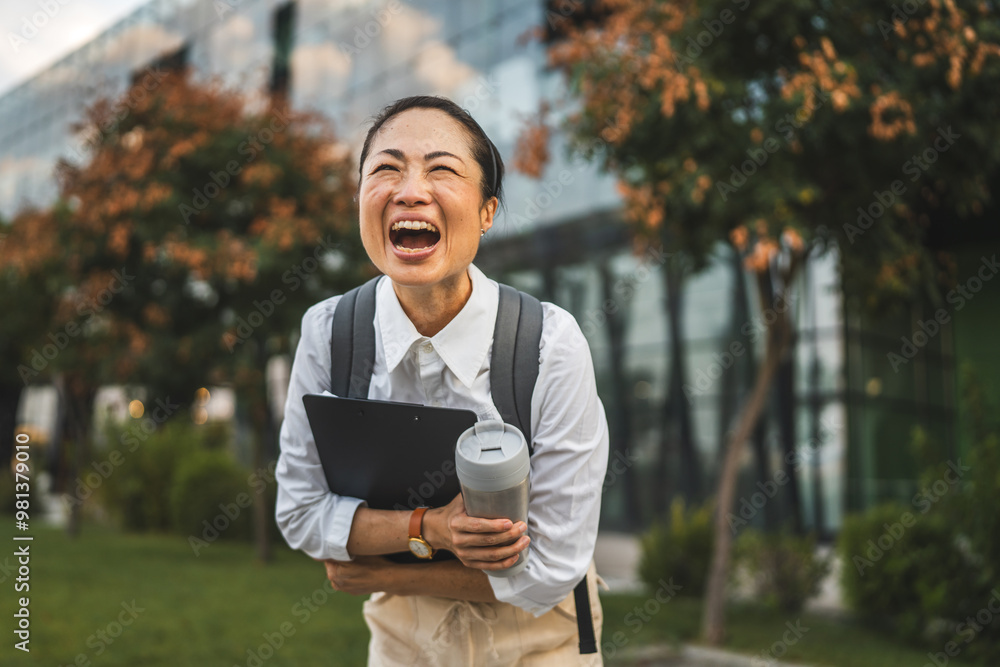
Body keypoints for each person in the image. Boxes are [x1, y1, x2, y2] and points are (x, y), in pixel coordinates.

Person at [275, 95, 609, 666]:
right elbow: (300, 513)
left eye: (442, 169)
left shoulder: (550, 345)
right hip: (404, 646)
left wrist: (387, 569)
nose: (409, 190)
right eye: (385, 168)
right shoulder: (328, 332)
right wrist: (431, 528)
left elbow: (553, 567)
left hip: (539, 643)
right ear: (360, 201)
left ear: (486, 212)